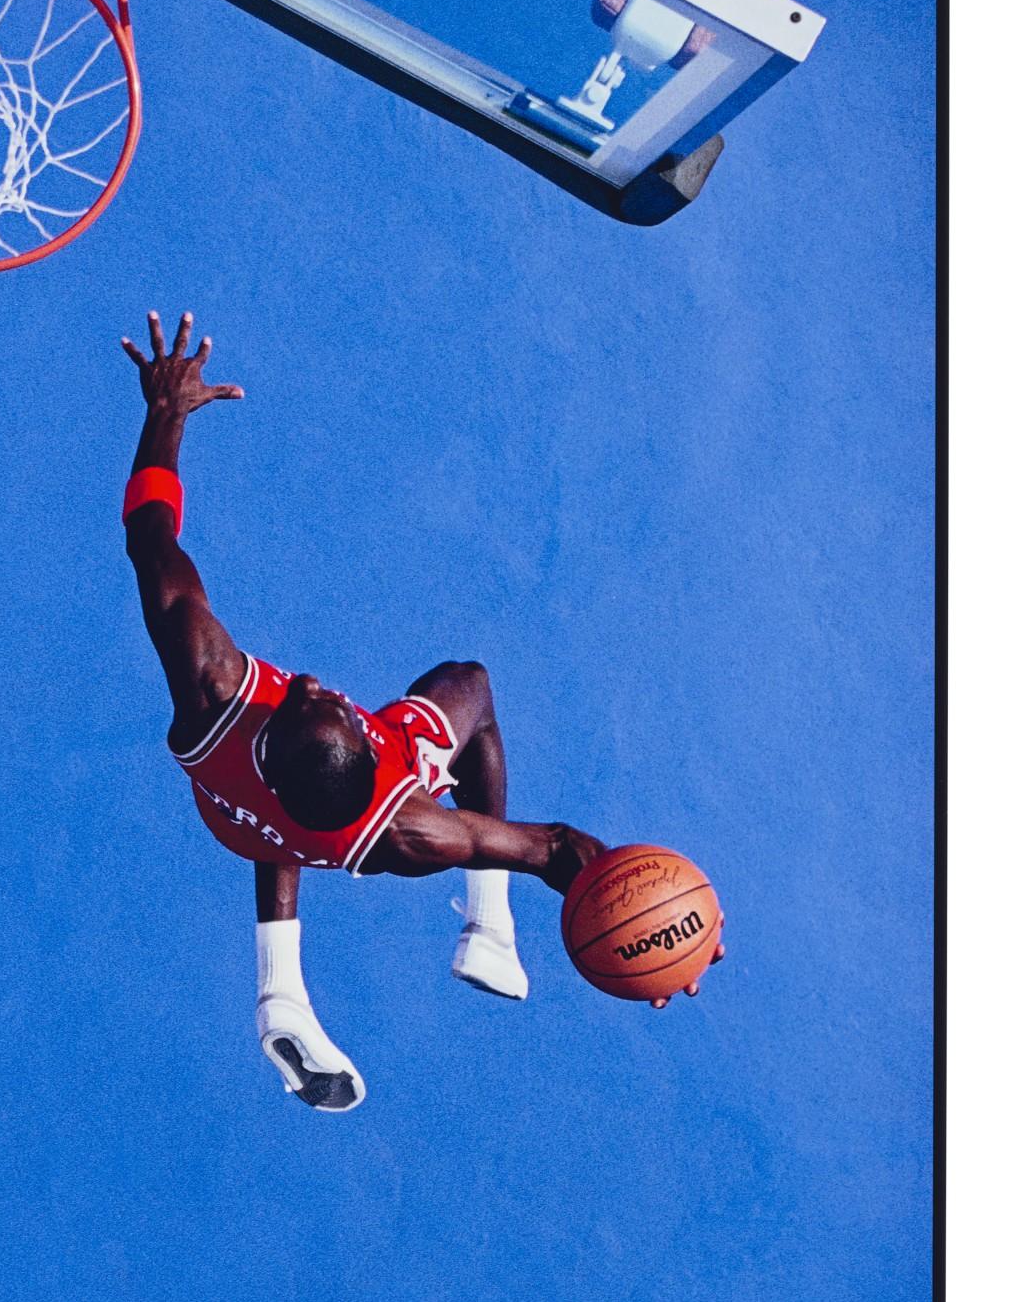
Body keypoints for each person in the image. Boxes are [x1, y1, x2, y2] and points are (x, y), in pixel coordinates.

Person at [114, 310, 711, 1113]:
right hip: (321, 830)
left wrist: (165, 413)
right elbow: (556, 849)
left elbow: (151, 539)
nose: (315, 681)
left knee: (281, 813)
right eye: (323, 699)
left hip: (229, 809)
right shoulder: (412, 830)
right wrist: (667, 929)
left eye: (308, 694)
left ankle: (279, 993)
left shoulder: (212, 687)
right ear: (366, 732)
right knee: (471, 685)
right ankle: (487, 927)